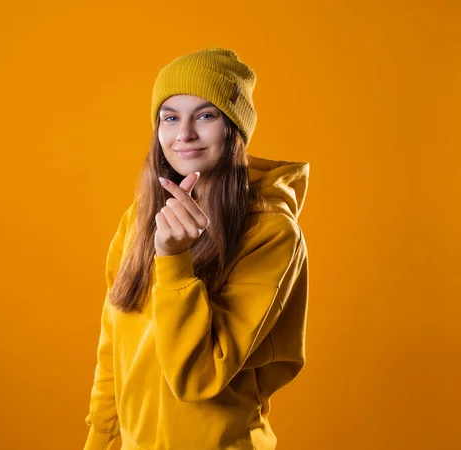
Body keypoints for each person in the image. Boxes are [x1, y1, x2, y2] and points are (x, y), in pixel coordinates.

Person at [83, 47, 310, 450]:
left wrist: (173, 260)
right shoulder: (140, 217)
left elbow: (198, 378)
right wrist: (99, 439)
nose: (183, 134)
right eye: (170, 117)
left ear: (234, 129)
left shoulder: (272, 232)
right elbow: (114, 345)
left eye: (205, 115)